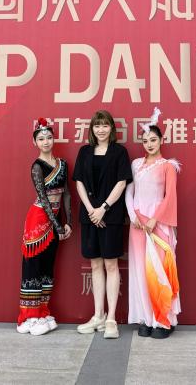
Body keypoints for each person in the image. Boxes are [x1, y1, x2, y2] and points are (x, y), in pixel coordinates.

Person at [73, 109, 132, 339]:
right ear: (92, 129)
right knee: (95, 265)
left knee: (111, 265)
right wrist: (91, 210)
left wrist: (103, 208)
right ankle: (98, 315)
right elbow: (78, 181)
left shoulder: (119, 152)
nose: (101, 129)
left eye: (105, 125)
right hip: (89, 216)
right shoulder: (84, 151)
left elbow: (122, 182)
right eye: (97, 125)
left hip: (111, 216)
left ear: (111, 128)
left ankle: (111, 319)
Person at [125, 108, 181, 338]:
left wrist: (154, 220)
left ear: (161, 140)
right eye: (145, 141)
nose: (149, 144)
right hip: (137, 225)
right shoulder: (136, 164)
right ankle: (146, 318)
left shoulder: (168, 166)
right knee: (140, 270)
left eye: (153, 140)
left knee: (159, 270)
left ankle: (164, 320)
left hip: (159, 225)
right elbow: (129, 192)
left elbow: (170, 197)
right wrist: (134, 217)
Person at [16, 118, 72, 335]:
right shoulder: (37, 167)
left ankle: (42, 312)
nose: (46, 142)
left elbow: (66, 194)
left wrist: (68, 222)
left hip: (56, 221)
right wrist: (58, 226)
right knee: (33, 267)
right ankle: (28, 317)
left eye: (49, 137)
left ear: (53, 139)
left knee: (48, 268)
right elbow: (44, 199)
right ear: (35, 142)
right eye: (41, 139)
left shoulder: (63, 164)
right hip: (39, 220)